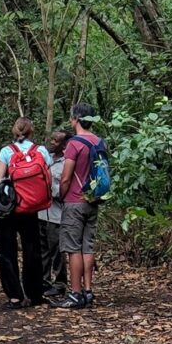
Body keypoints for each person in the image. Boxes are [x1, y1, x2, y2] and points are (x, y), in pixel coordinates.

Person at [0, 117, 52, 307]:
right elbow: (47, 177)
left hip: (9, 208)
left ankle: (15, 296)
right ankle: (34, 294)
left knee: (6, 250)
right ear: (32, 131)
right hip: (31, 207)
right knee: (33, 250)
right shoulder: (40, 150)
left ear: (14, 131)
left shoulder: (6, 151)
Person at [57, 103, 104, 309]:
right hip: (93, 201)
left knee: (73, 248)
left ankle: (75, 293)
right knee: (87, 246)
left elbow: (66, 177)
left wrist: (61, 195)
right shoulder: (100, 142)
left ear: (76, 119)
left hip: (74, 201)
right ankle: (88, 290)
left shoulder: (74, 144)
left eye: (71, 118)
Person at [39, 127, 70, 302]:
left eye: (56, 141)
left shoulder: (67, 163)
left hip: (57, 214)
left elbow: (66, 188)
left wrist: (50, 189)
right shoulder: (46, 159)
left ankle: (59, 284)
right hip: (41, 212)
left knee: (56, 250)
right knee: (42, 249)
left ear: (64, 145)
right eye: (52, 140)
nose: (52, 143)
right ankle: (44, 281)